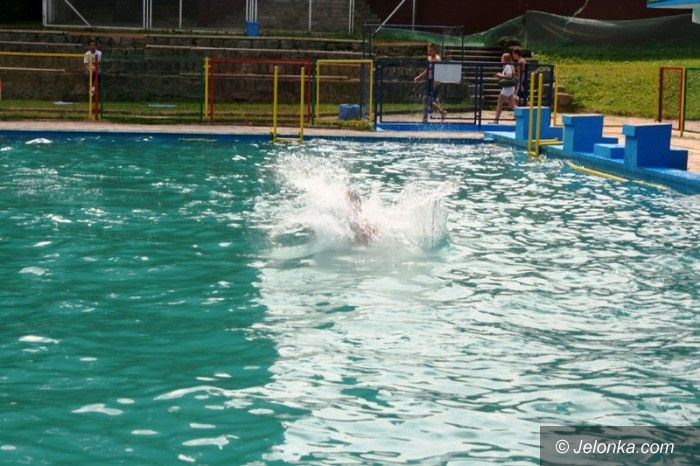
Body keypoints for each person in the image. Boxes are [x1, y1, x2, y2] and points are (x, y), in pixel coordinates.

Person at [413, 43, 447, 123]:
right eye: (429, 50)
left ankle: (426, 118)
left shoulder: (437, 59)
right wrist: (419, 77)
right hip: (429, 80)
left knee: (427, 99)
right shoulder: (429, 58)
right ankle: (441, 112)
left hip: (435, 81)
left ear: (434, 50)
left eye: (431, 50)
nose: (429, 52)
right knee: (426, 99)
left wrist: (436, 81)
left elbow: (440, 71)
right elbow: (427, 70)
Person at [493, 53, 516, 124]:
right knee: (512, 105)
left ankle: (496, 120)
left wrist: (500, 75)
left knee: (500, 102)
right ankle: (522, 116)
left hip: (507, 88)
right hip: (509, 87)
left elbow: (509, 76)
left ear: (505, 59)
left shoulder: (508, 66)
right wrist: (500, 76)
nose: (501, 59)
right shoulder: (508, 66)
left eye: (502, 58)